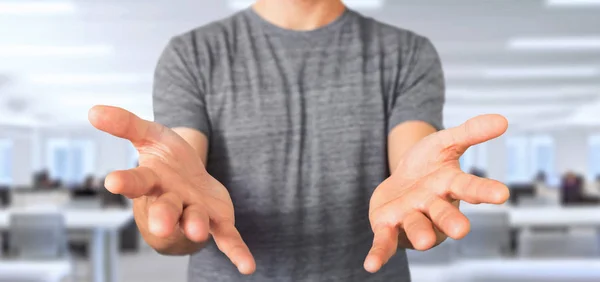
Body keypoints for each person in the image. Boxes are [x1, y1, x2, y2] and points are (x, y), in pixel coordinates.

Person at [88, 0, 509, 281]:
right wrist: (162, 211)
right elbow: (179, 202)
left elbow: (410, 172)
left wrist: (420, 205)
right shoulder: (192, 54)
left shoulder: (408, 54)